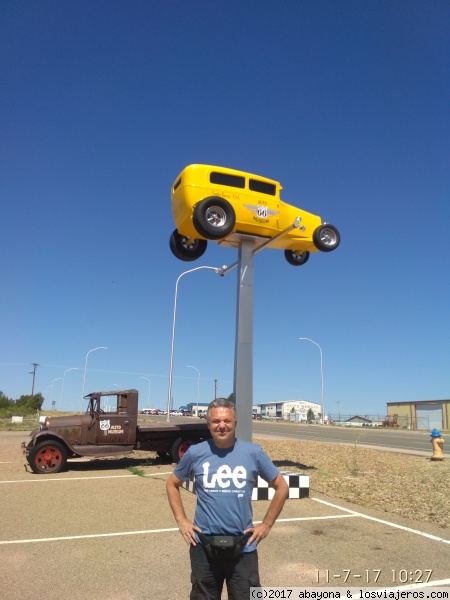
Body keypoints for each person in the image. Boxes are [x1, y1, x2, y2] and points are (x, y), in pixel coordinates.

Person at [166, 397, 289, 599]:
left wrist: (266, 525)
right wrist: (182, 520)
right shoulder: (195, 453)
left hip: (243, 546)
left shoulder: (253, 452)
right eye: (215, 421)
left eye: (227, 421)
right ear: (208, 424)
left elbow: (281, 486)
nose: (221, 426)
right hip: (203, 546)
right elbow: (172, 484)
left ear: (235, 423)